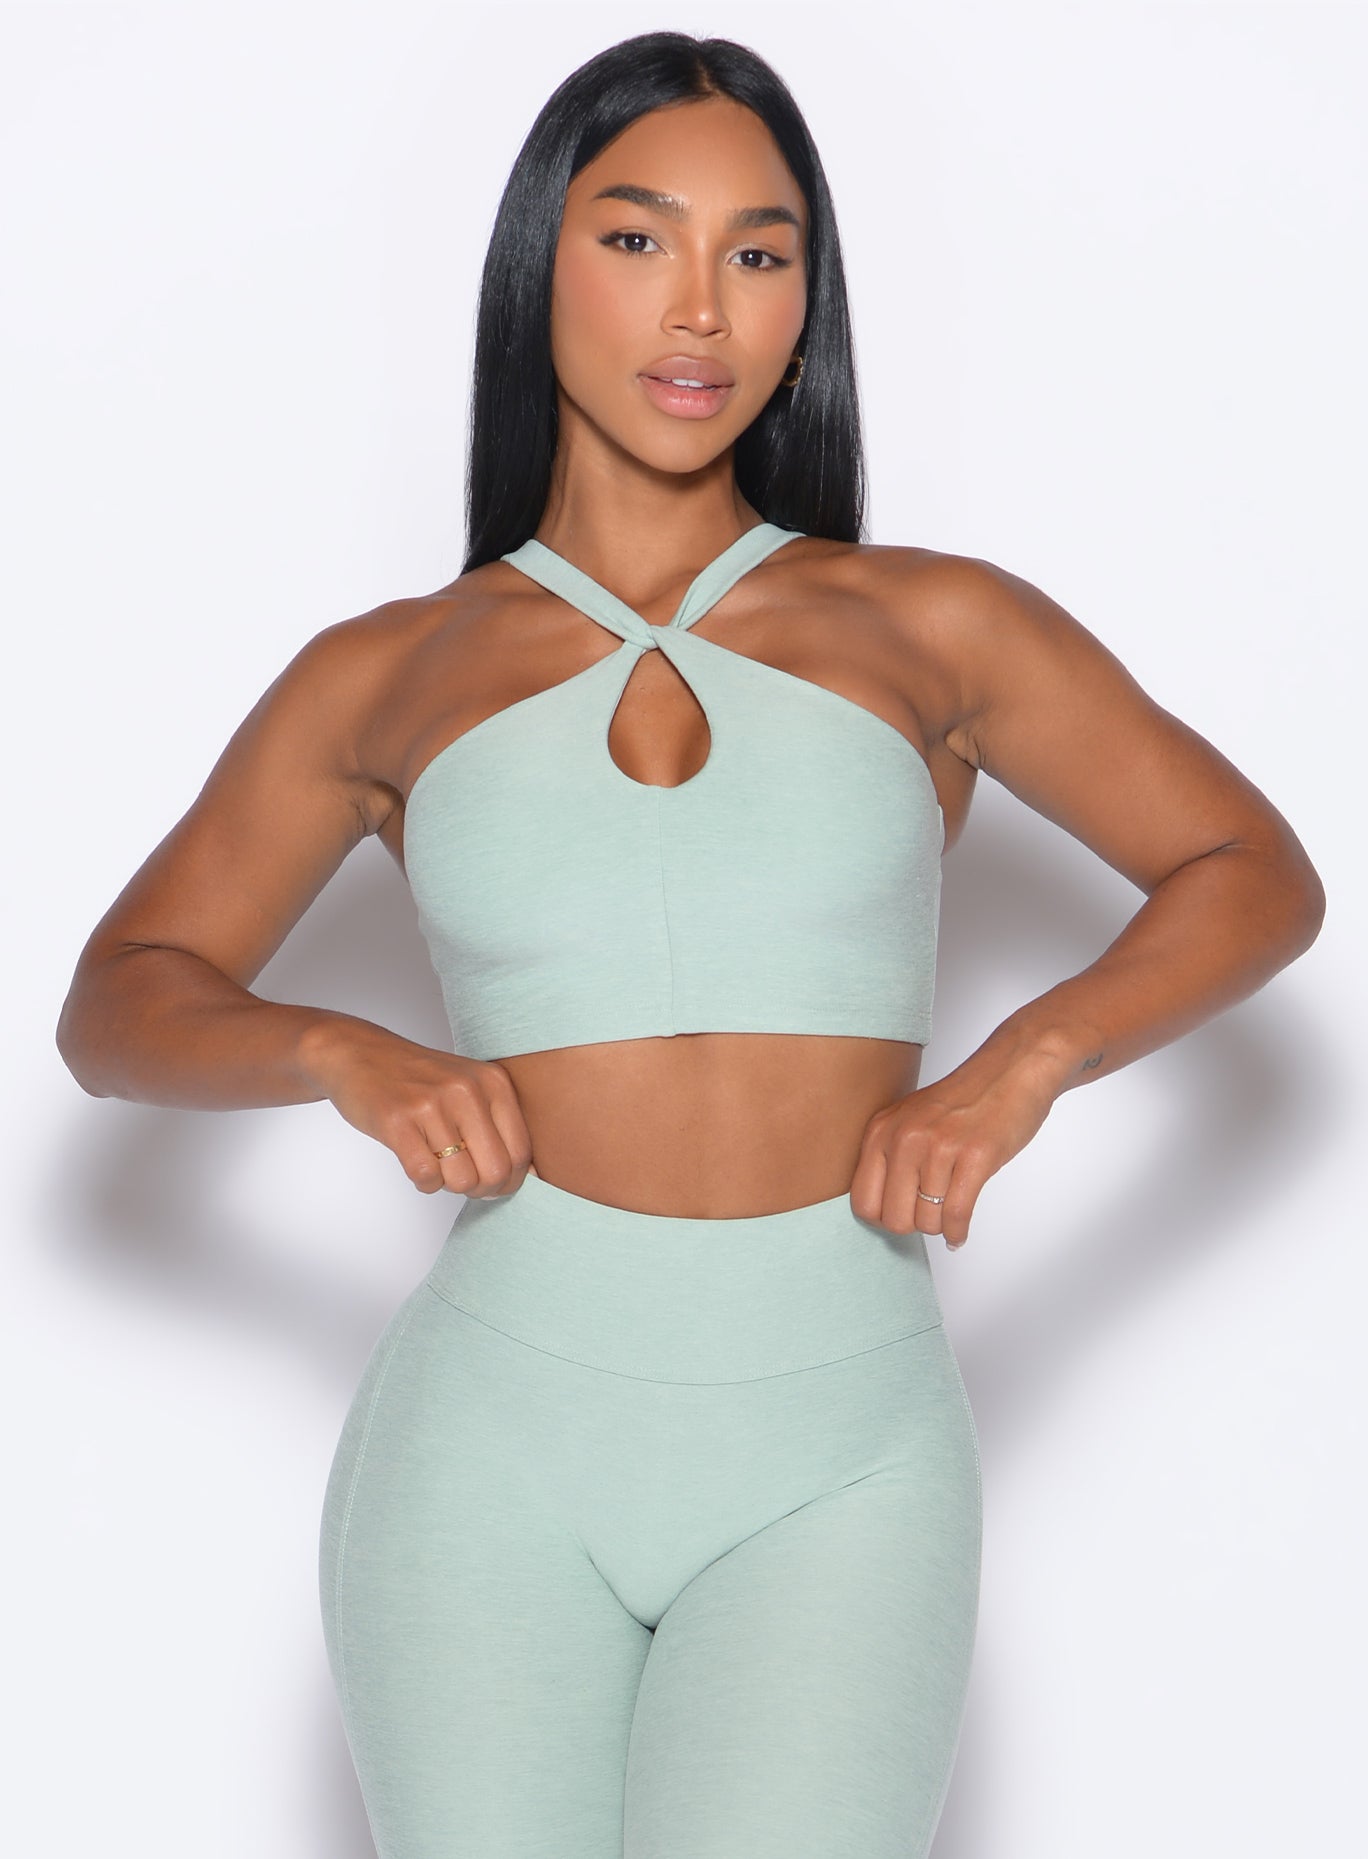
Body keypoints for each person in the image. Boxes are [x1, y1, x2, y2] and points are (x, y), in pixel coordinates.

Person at [55, 29, 1324, 1859]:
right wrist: (342, 1051)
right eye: (639, 237)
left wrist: (1022, 1065)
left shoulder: (932, 625)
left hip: (843, 1446)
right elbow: (119, 1002)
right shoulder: (386, 671)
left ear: (809, 297)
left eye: (762, 251)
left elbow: (1250, 866)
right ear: (539, 266)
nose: (703, 308)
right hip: (490, 1440)